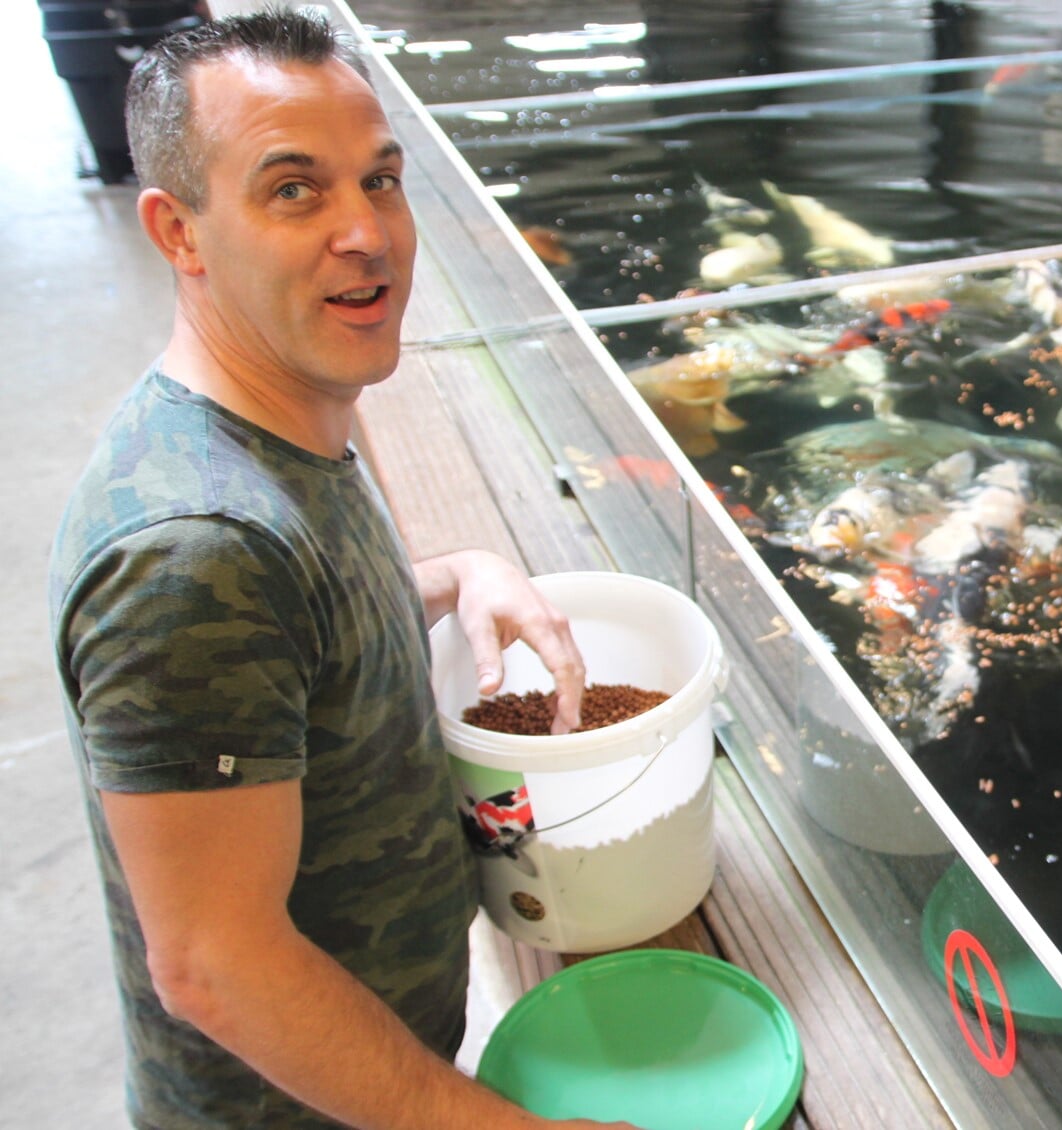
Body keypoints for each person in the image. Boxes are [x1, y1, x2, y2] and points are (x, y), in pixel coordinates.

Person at [48, 9, 632, 1128]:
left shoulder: (288, 429)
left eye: (383, 178)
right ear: (179, 231)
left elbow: (295, 637)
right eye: (294, 189)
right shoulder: (190, 558)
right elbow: (215, 961)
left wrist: (459, 572)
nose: (367, 232)